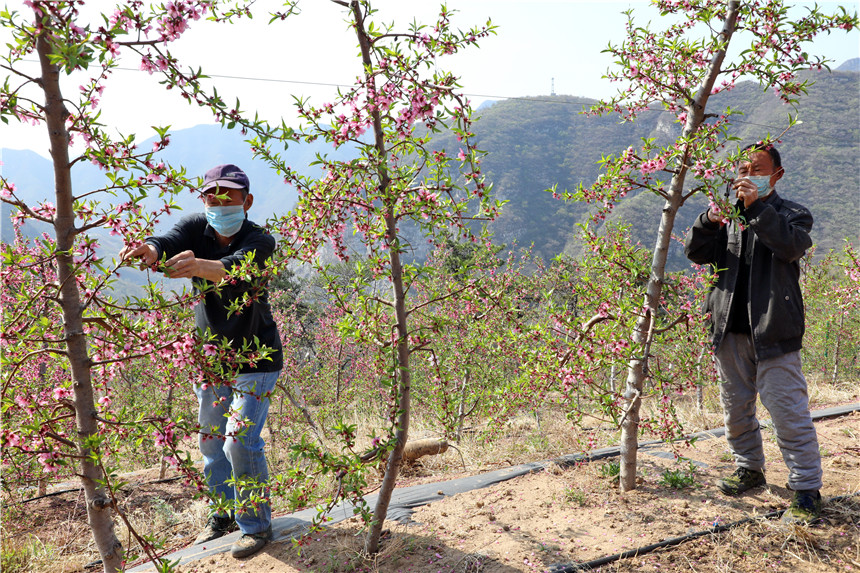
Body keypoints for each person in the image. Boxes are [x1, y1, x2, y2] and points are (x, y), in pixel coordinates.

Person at [120, 164, 283, 557]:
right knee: (211, 443)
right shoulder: (197, 227)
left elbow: (236, 268)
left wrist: (198, 267)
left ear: (247, 201)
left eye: (229, 195)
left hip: (255, 358)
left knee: (239, 442)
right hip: (210, 360)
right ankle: (223, 514)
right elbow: (168, 238)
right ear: (204, 199)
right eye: (212, 195)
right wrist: (152, 249)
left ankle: (256, 526)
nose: (220, 202)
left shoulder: (260, 240)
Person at [684, 143, 823, 524]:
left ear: (777, 174)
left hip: (774, 330)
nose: (748, 175)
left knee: (788, 413)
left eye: (758, 169)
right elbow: (697, 253)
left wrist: (756, 209)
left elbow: (790, 247)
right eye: (743, 168)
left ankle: (807, 489)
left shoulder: (793, 214)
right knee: (736, 408)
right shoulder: (727, 216)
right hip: (729, 330)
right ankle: (749, 468)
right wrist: (707, 222)